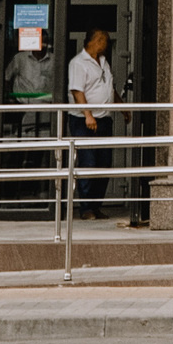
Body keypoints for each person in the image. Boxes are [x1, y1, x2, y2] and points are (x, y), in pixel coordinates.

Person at [66, 28, 115, 217]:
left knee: (104, 163)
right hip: (83, 121)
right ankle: (86, 207)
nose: (107, 44)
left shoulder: (103, 61)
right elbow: (77, 91)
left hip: (103, 119)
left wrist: (123, 107)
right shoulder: (78, 63)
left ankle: (95, 205)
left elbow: (110, 87)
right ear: (96, 40)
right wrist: (88, 115)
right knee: (88, 162)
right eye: (105, 40)